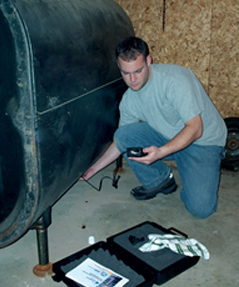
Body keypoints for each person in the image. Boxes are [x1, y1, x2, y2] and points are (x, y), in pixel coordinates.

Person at [82, 36, 227, 219]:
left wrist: (160, 152)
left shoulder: (175, 81)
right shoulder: (129, 100)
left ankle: (194, 170)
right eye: (125, 73)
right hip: (167, 136)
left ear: (148, 61)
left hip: (203, 142)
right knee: (124, 134)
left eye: (138, 71)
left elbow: (196, 129)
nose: (132, 79)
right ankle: (160, 180)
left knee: (201, 209)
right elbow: (121, 141)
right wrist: (94, 169)